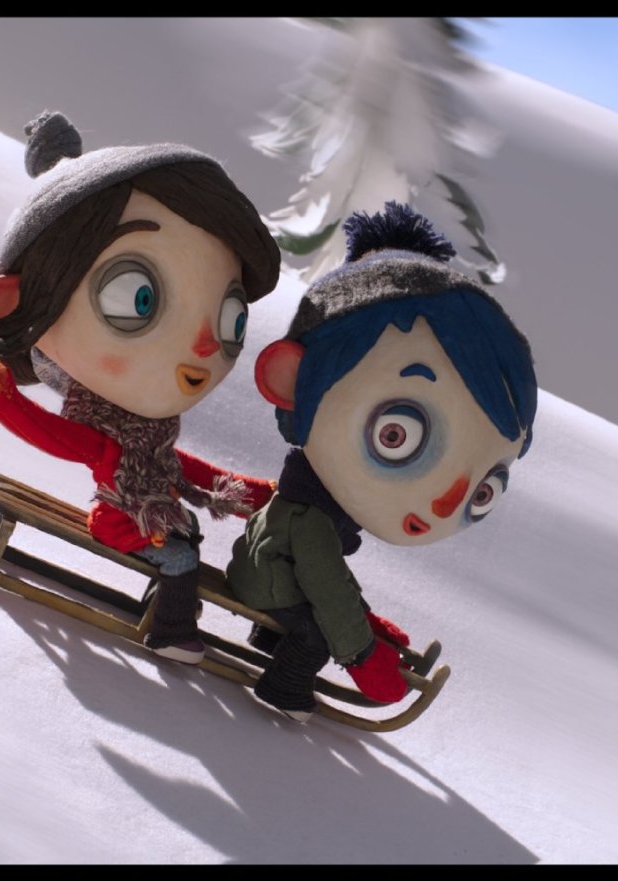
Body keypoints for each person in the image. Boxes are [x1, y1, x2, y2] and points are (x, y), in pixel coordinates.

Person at [0, 110, 280, 664]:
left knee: (185, 536)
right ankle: (172, 631)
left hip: (150, 516)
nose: (205, 346)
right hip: (121, 521)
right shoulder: (108, 440)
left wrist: (257, 493)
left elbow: (185, 470)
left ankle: (167, 605)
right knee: (181, 558)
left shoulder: (148, 438)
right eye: (137, 298)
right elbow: (44, 431)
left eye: (230, 318)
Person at [227, 202, 538, 721]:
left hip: (271, 573)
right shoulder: (311, 519)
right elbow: (329, 589)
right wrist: (361, 654)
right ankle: (285, 690)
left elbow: (329, 579)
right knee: (317, 633)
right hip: (266, 581)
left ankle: (270, 640)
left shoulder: (313, 505)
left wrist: (368, 626)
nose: (446, 502)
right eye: (397, 435)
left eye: (485, 489)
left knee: (317, 608)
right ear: (292, 381)